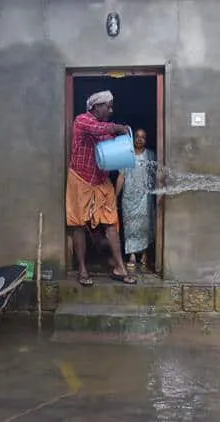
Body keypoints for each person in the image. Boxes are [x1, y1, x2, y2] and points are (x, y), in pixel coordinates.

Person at [66, 90, 137, 286]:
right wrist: (118, 128)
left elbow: (110, 153)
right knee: (78, 224)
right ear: (96, 107)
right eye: (108, 106)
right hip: (80, 178)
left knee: (111, 223)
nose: (111, 109)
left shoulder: (105, 130)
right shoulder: (82, 120)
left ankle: (120, 267)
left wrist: (121, 144)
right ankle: (82, 269)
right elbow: (96, 129)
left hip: (101, 180)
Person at [116, 129, 156, 271]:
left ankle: (144, 254)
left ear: (146, 140)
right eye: (137, 137)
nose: (139, 140)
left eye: (143, 137)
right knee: (130, 226)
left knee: (144, 225)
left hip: (145, 196)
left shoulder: (151, 155)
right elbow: (121, 177)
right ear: (134, 139)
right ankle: (132, 254)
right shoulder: (127, 155)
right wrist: (115, 196)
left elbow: (156, 176)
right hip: (129, 197)